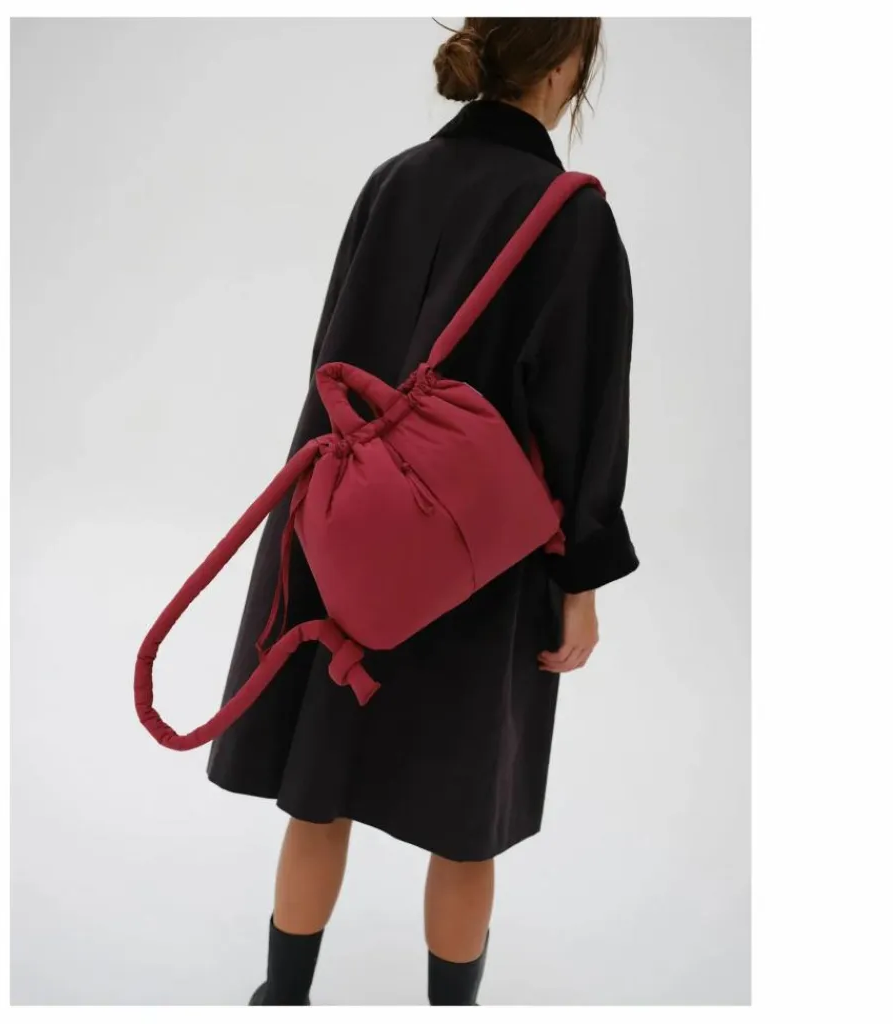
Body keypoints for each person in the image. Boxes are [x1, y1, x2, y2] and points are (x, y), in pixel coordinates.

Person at [205, 16, 639, 1006]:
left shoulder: (392, 180)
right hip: (482, 562)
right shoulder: (570, 216)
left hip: (347, 542)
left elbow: (335, 355)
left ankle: (280, 998)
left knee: (319, 794)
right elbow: (583, 414)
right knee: (465, 823)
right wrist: (581, 583)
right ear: (564, 66)